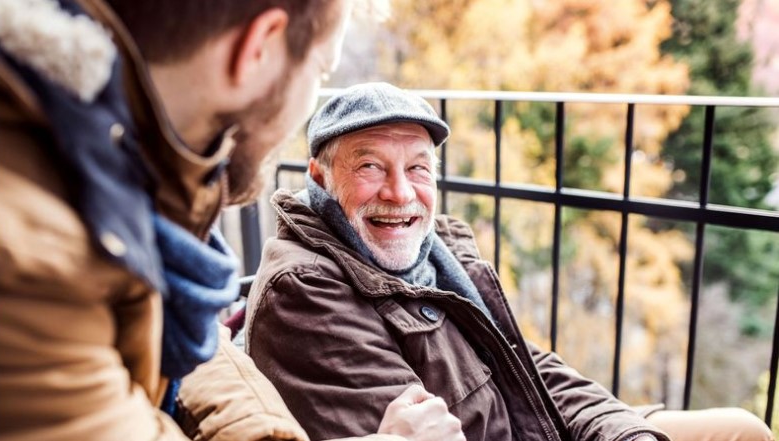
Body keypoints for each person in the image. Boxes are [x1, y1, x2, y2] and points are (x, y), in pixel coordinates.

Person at [0, 0, 464, 440]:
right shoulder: (26, 256)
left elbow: (188, 355)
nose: (400, 191)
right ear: (258, 48)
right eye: (321, 71)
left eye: (418, 167)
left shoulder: (117, 170)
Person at [244, 82, 775, 441]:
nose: (401, 192)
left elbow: (524, 364)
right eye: (370, 166)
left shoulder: (433, 254)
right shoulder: (305, 291)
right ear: (320, 177)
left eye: (418, 168)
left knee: (740, 428)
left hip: (531, 422)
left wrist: (621, 431)